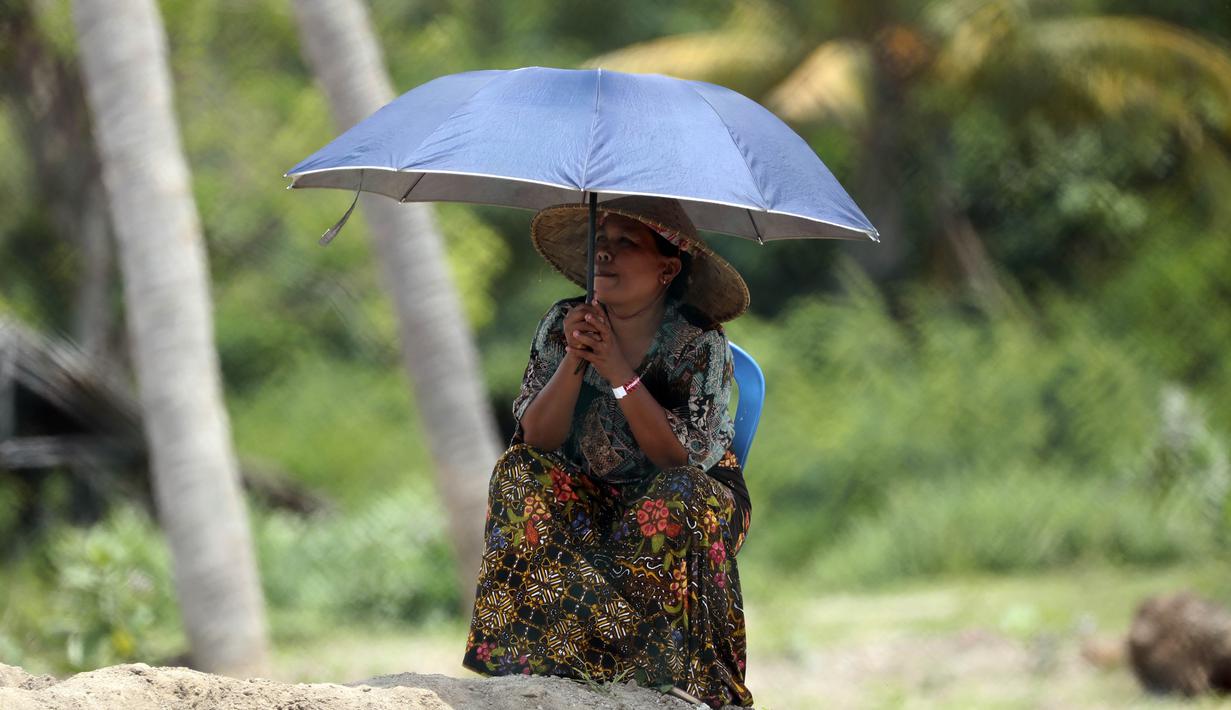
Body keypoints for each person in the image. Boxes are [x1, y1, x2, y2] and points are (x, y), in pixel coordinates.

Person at [462, 195, 754, 708]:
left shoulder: (699, 342)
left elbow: (677, 461)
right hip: (589, 493)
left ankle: (665, 672)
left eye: (626, 243)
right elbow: (537, 440)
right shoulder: (563, 322)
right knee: (518, 472)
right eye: (603, 240)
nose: (605, 254)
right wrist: (576, 358)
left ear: (667, 268)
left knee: (672, 495)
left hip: (688, 495)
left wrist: (619, 370)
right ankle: (564, 661)